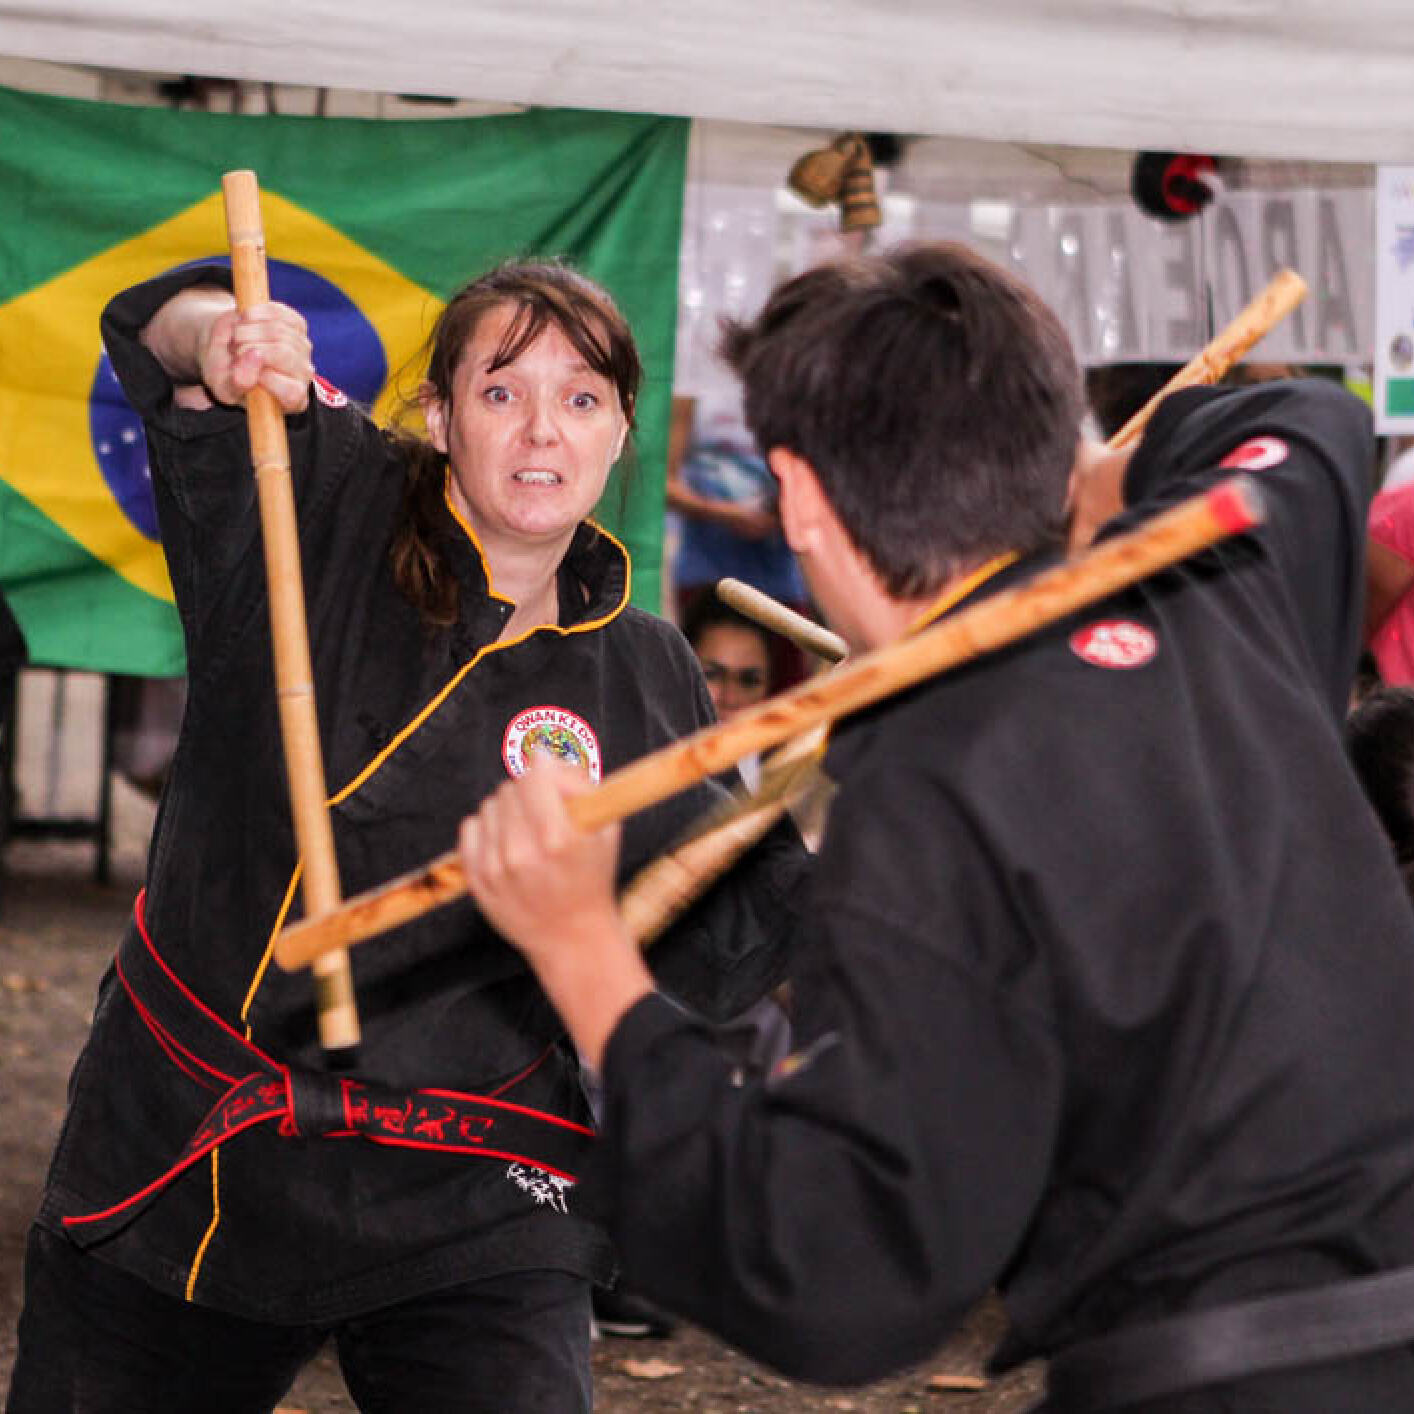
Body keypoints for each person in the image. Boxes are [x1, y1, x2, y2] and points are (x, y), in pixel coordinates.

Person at [455, 242, 1414, 1410]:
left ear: (798, 496)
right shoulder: (1218, 580)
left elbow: (841, 1275)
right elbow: (1309, 420)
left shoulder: (930, 786)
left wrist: (583, 956)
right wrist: (1100, 479)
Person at [7, 260, 805, 1413]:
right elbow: (159, 341)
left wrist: (889, 791)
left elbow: (720, 946)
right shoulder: (321, 502)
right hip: (203, 1146)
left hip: (475, 1176)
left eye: (582, 398)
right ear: (437, 414)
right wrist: (218, 335)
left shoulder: (643, 669)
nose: (543, 430)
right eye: (501, 391)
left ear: (623, 430)